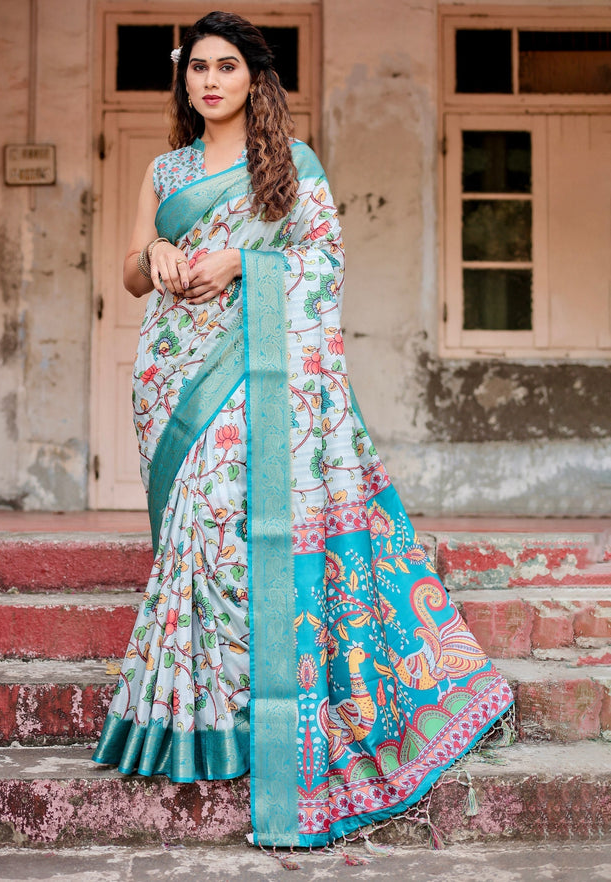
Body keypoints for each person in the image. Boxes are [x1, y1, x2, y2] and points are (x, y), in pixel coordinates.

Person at [92, 10, 514, 848]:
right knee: (194, 540)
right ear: (184, 80)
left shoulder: (287, 164)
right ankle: (193, 723)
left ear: (254, 79)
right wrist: (164, 261)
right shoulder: (164, 168)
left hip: (259, 380)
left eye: (226, 67)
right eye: (197, 68)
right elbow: (131, 272)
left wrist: (241, 263)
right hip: (173, 374)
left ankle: (264, 720)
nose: (209, 81)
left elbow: (324, 263)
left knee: (232, 533)